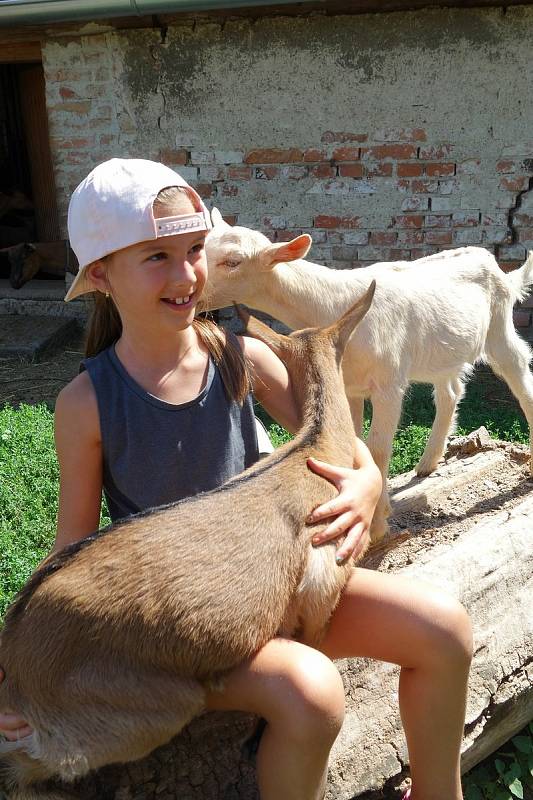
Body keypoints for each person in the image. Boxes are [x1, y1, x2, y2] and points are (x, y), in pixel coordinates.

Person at [0, 159, 473, 800]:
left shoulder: (240, 354)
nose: (186, 273)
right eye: (157, 257)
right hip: (188, 626)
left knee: (446, 630)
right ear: (101, 275)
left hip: (284, 581)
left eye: (194, 250)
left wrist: (365, 484)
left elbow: (337, 434)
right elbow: (73, 545)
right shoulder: (88, 402)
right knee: (312, 693)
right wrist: (20, 673)